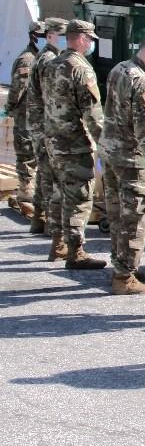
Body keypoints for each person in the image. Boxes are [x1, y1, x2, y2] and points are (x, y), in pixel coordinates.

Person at [100, 31, 145, 295]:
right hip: (132, 159)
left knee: (118, 215)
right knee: (135, 218)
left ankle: (121, 266)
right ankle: (125, 277)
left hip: (111, 154)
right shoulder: (143, 82)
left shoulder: (119, 69)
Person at [47, 19, 108, 270]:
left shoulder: (52, 65)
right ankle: (76, 251)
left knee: (60, 192)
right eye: (91, 40)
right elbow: (92, 114)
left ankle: (58, 243)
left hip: (54, 140)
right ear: (82, 39)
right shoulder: (81, 69)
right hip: (75, 143)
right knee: (80, 196)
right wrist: (105, 144)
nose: (92, 44)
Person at [27, 18, 68, 242]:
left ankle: (38, 219)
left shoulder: (45, 56)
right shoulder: (50, 59)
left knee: (44, 172)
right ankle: (52, 226)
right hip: (44, 124)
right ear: (50, 35)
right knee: (49, 176)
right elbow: (49, 96)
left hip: (39, 123)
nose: (65, 39)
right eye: (61, 35)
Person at [1, 18, 44, 219]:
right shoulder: (28, 59)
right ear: (34, 37)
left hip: (38, 117)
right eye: (42, 36)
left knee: (37, 156)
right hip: (26, 116)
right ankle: (27, 195)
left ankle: (34, 195)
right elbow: (18, 89)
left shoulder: (43, 57)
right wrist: (9, 108)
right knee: (27, 156)